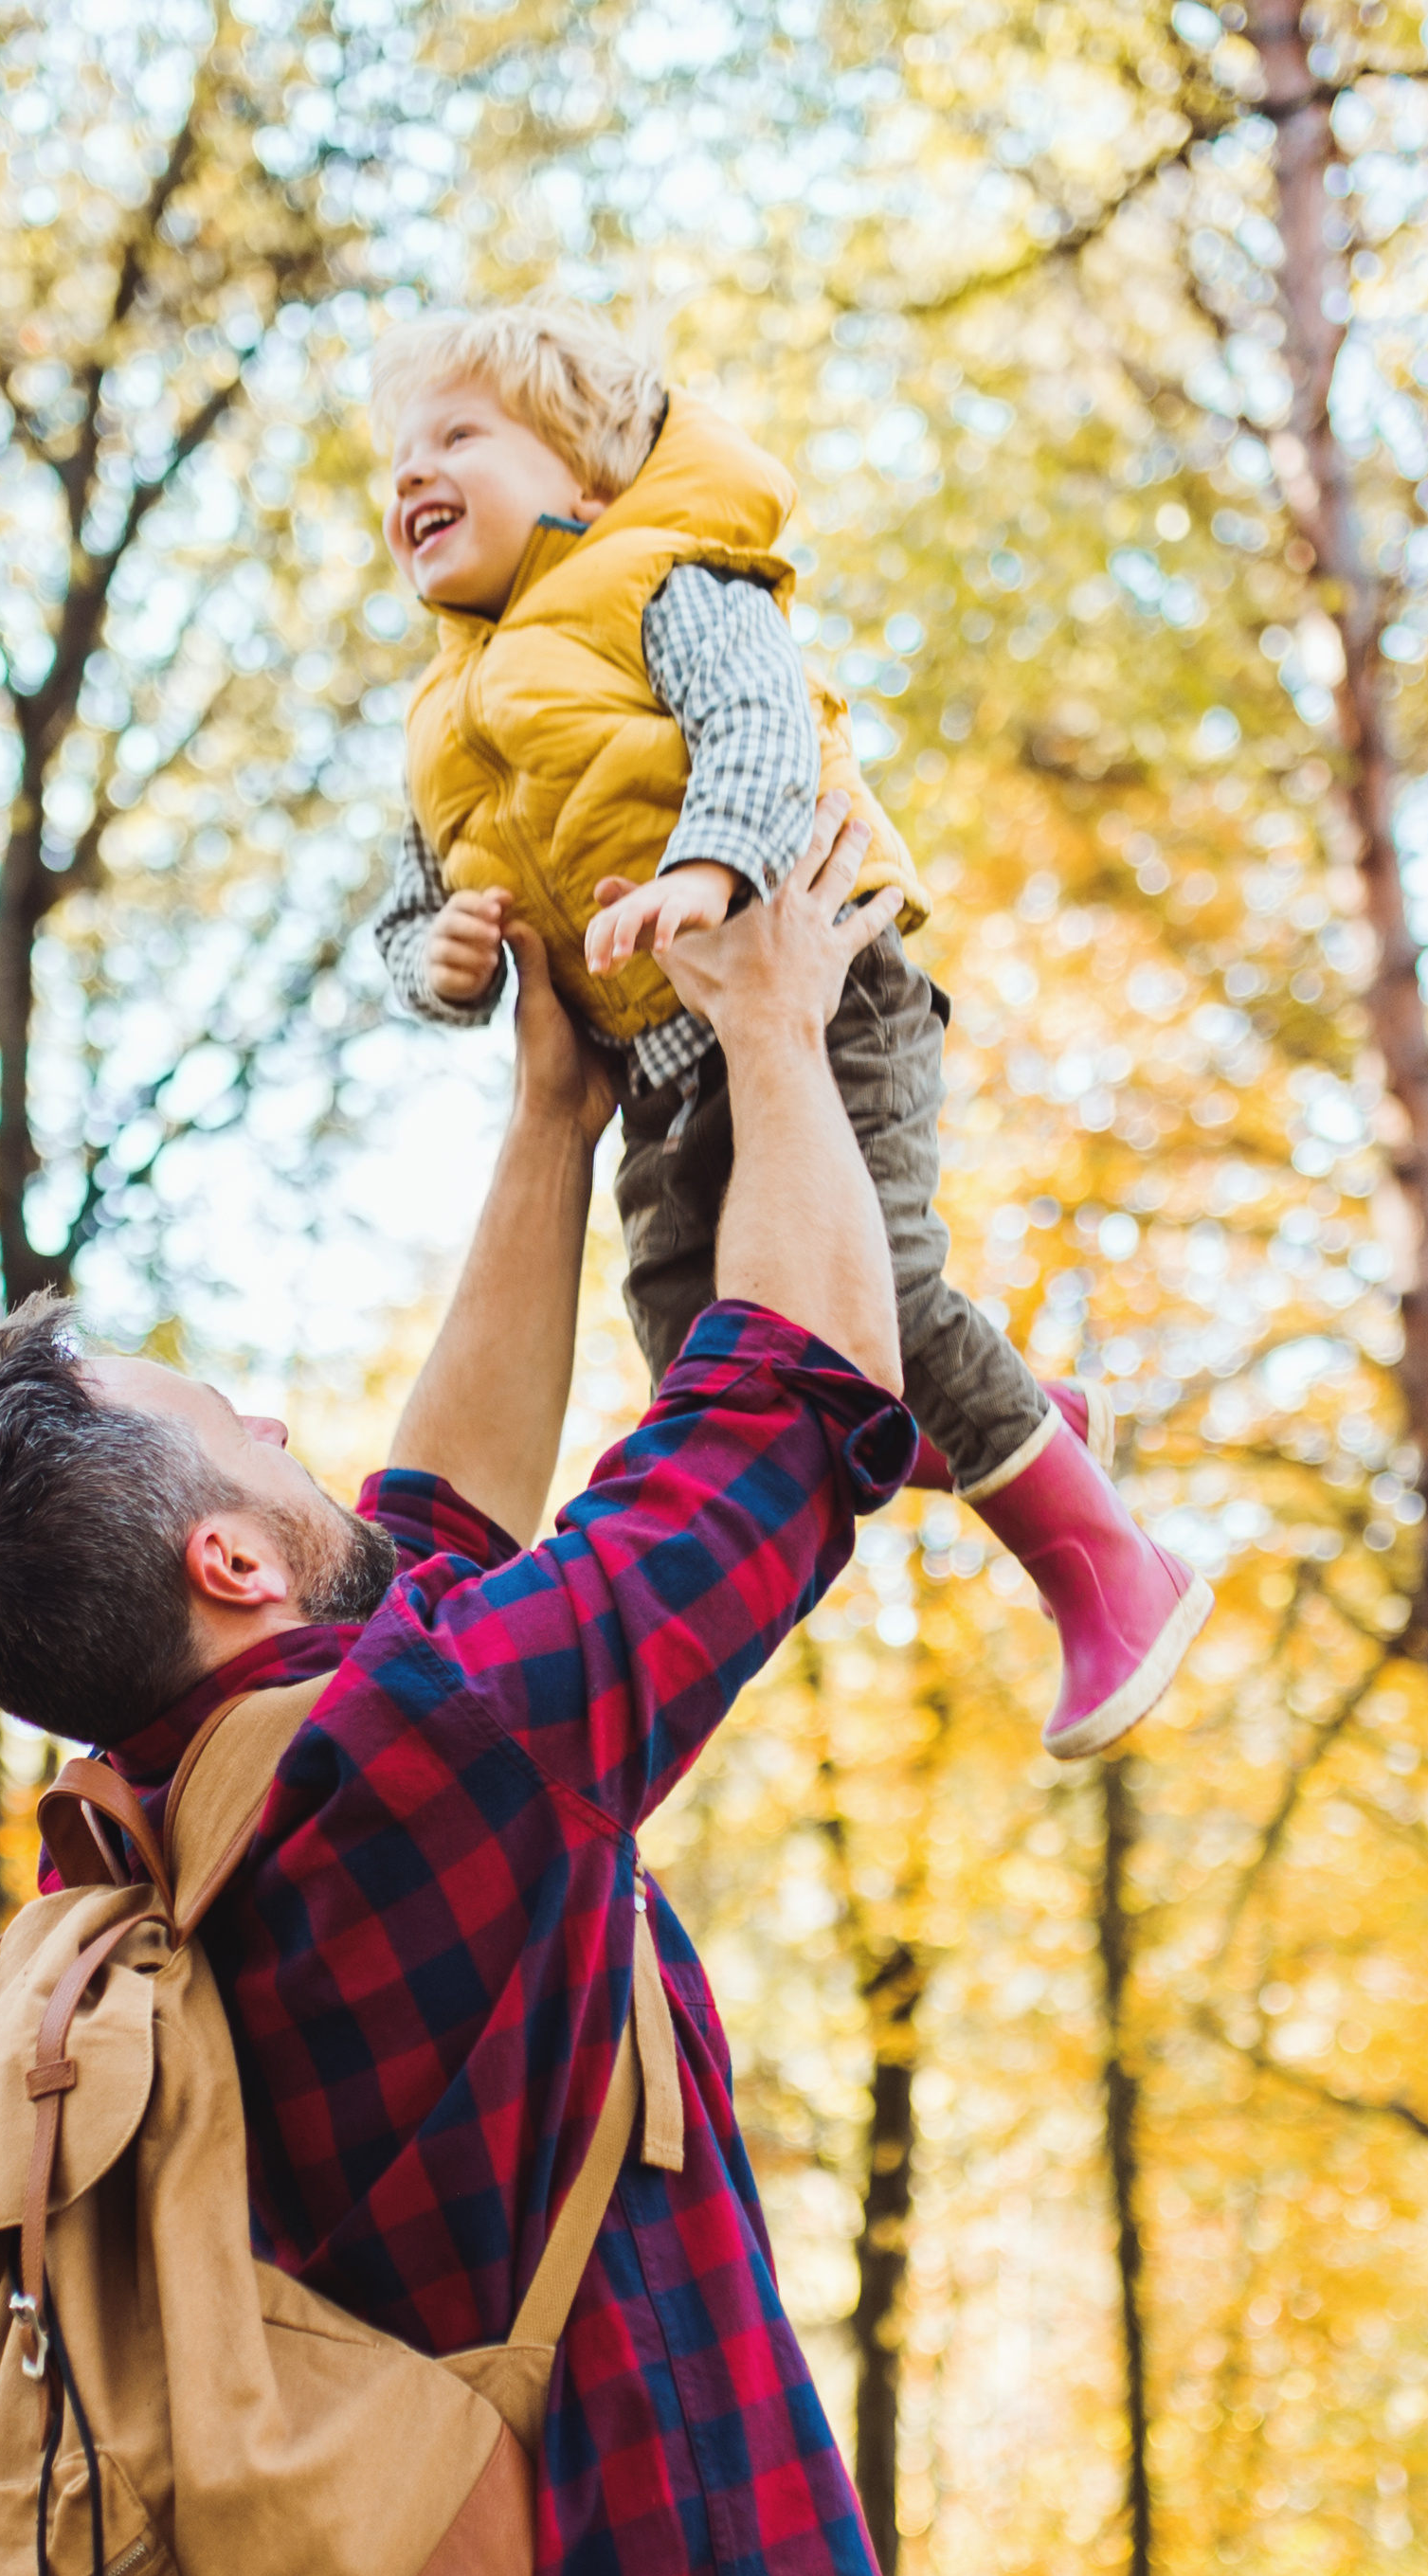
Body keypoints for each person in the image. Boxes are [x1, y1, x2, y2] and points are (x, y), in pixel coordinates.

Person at [0, 816, 918, 2576]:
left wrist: (552, 1120)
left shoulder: (146, 1850)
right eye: (239, 1424)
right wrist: (777, 1033)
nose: (283, 1427)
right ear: (229, 1558)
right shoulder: (425, 1756)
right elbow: (795, 1412)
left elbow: (426, 1523)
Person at [365, 297, 1205, 1757]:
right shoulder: (443, 716)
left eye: (457, 436)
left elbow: (760, 725)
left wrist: (710, 867)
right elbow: (409, 902)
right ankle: (1009, 1414)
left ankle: (1107, 1565)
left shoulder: (663, 577)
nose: (412, 474)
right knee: (703, 1357)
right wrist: (436, 965)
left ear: (587, 477)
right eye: (396, 458)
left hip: (822, 984)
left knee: (879, 1293)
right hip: (660, 1068)